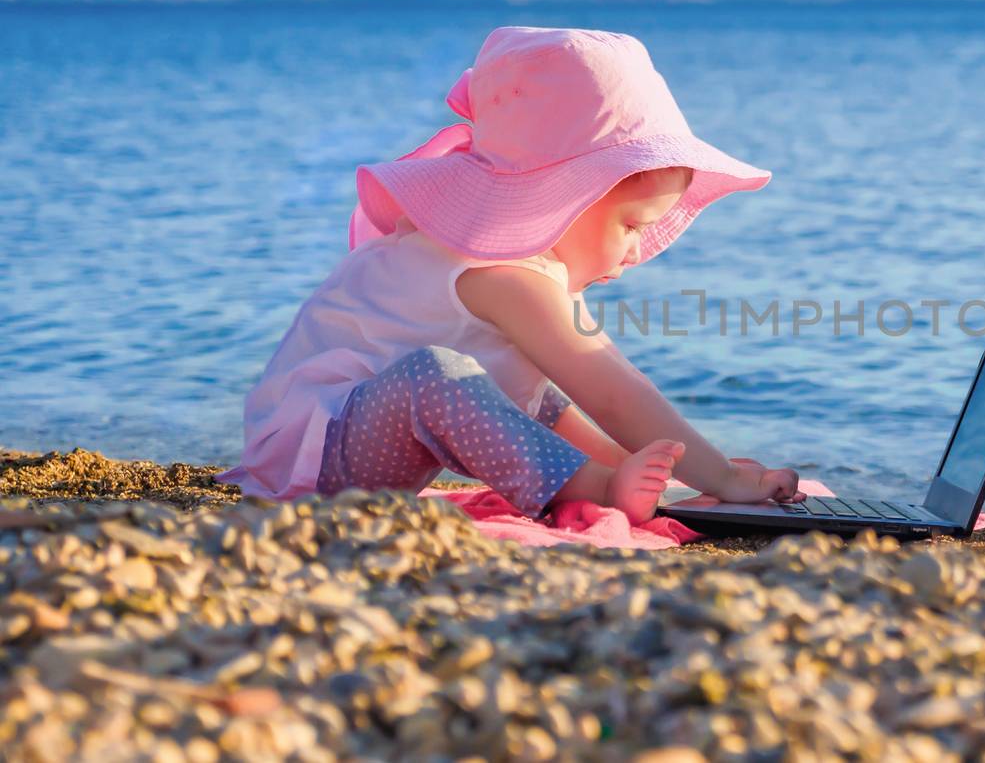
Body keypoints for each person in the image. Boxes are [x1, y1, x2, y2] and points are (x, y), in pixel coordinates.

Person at [216, 26, 807, 524]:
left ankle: (617, 476)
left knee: (524, 382)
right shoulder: (502, 273)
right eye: (629, 226)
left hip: (354, 443)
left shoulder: (518, 271)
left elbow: (567, 400)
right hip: (314, 459)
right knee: (438, 375)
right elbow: (611, 388)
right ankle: (600, 488)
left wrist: (675, 473)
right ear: (561, 198)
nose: (636, 252)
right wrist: (723, 476)